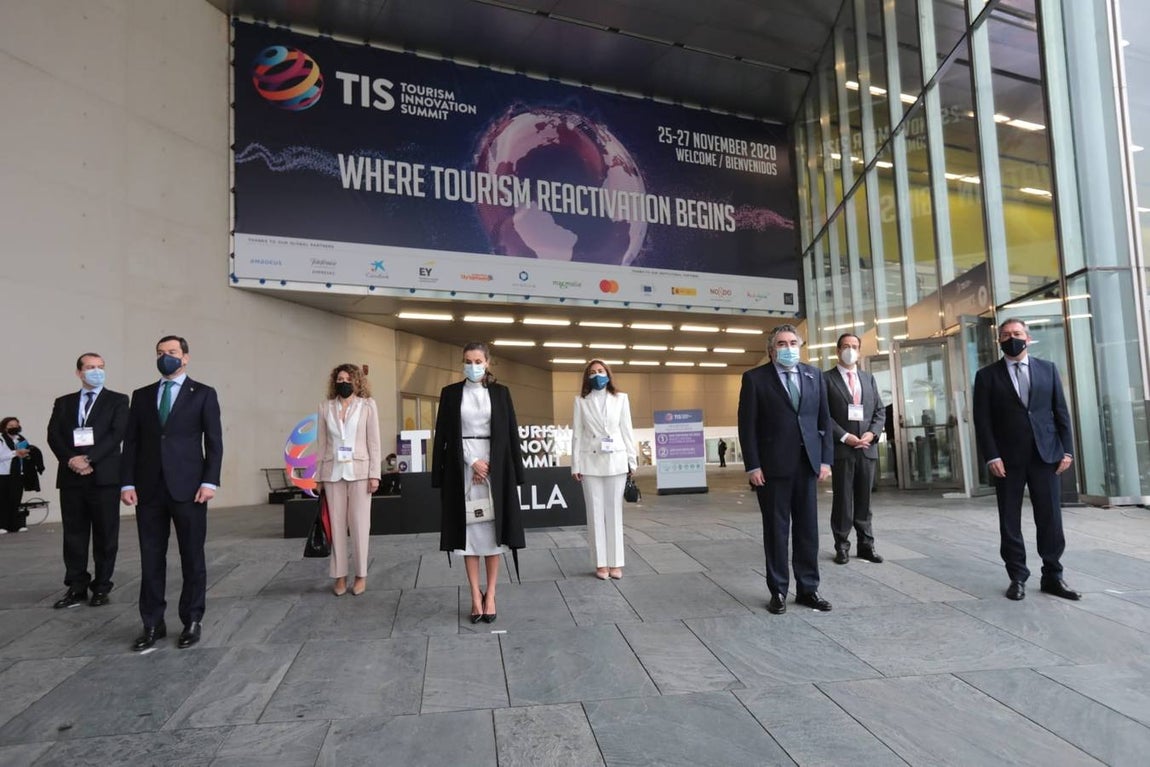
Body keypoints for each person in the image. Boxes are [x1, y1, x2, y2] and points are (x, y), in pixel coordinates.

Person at [121, 336, 223, 651]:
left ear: (186, 357)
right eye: (161, 353)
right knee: (151, 558)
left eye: (173, 352)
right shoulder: (141, 396)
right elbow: (132, 443)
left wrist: (210, 482)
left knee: (192, 556)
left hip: (190, 489)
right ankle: (152, 623)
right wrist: (127, 483)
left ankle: (192, 620)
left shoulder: (203, 394)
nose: (166, 357)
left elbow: (214, 442)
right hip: (149, 490)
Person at [973, 318, 1079, 602]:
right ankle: (1017, 576)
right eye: (1006, 335)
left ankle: (1053, 576)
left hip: (1046, 456)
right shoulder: (986, 376)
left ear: (1028, 338)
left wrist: (1067, 450)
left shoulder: (1048, 370)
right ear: (999, 341)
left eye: (1017, 333)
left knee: (1050, 518)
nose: (1012, 338)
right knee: (1010, 520)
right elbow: (982, 422)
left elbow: (1061, 413)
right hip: (1006, 461)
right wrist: (991, 456)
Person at [737, 324, 834, 614]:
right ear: (771, 350)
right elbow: (747, 426)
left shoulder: (814, 375)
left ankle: (808, 589)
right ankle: (778, 591)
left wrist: (826, 460)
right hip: (772, 468)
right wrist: (752, 465)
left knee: (808, 531)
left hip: (807, 465)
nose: (788, 348)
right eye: (781, 343)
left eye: (793, 342)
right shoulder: (755, 379)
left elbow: (823, 420)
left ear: (800, 346)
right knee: (777, 531)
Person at [431, 342, 524, 624]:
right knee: (468, 535)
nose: (473, 365)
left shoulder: (500, 393)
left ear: (488, 363)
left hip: (495, 468)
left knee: (492, 533)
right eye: (468, 360)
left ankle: (491, 593)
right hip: (463, 468)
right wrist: (472, 461)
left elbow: (509, 433)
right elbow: (445, 435)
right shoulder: (450, 394)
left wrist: (501, 467)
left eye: (478, 360)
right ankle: (474, 595)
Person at [46, 353, 130, 607]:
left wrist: (89, 459)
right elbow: (54, 435)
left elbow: (117, 434)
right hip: (72, 478)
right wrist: (72, 459)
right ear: (79, 372)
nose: (97, 371)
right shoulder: (64, 402)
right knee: (74, 535)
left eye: (101, 367)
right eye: (91, 367)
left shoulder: (117, 400)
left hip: (104, 477)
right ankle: (76, 586)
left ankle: (102, 586)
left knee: (106, 534)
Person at [315, 364, 382, 596]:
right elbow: (322, 444)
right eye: (339, 379)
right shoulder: (325, 408)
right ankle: (340, 576)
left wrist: (375, 474)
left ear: (356, 382)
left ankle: (361, 575)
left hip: (361, 473)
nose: (343, 382)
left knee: (360, 525)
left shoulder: (367, 406)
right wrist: (319, 476)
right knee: (336, 526)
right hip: (333, 473)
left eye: (347, 379)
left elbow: (374, 442)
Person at [571, 359, 637, 580]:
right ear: (587, 377)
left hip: (617, 460)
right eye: (592, 372)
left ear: (608, 374)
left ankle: (616, 562)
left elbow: (627, 430)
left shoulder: (621, 399)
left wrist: (632, 461)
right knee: (595, 514)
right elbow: (577, 434)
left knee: (614, 513)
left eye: (600, 371)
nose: (597, 375)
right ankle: (601, 563)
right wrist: (575, 464)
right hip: (590, 462)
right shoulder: (581, 401)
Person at [824, 333, 886, 565]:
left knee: (865, 500)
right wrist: (846, 436)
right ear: (838, 350)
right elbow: (824, 415)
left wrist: (872, 433)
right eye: (846, 346)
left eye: (855, 346)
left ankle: (866, 545)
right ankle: (842, 546)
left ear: (859, 351)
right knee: (843, 500)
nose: (850, 350)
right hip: (843, 451)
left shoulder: (868, 378)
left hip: (867, 449)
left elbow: (879, 411)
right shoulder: (826, 379)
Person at [0, 417, 31, 533]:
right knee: (3, 500)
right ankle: (2, 525)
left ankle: (16, 524)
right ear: (4, 427)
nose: (14, 428)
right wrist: (15, 453)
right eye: (10, 426)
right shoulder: (1, 439)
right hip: (3, 474)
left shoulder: (21, 439)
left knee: (15, 499)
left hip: (18, 473)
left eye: (15, 425)